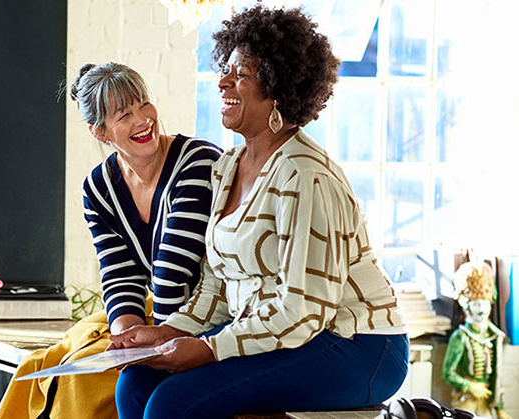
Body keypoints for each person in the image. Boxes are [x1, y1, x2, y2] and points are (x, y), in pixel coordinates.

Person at [111, 6, 409, 418]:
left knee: (174, 402)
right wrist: (167, 331)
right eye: (226, 70)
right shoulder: (229, 166)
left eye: (240, 75)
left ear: (277, 91)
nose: (223, 82)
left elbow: (303, 312)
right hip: (289, 332)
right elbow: (216, 287)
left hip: (355, 343)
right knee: (137, 383)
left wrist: (209, 348)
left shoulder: (306, 177)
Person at [0, 62, 222, 419]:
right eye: (124, 114)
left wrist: (153, 340)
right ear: (100, 132)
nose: (142, 120)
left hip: (211, 318)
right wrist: (126, 334)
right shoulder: (97, 188)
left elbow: (173, 269)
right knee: (51, 371)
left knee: (117, 384)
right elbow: (118, 274)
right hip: (157, 318)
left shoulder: (198, 162)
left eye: (144, 104)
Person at [442, 261, 510, 419]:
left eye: (485, 304)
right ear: (467, 305)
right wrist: (470, 386)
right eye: (476, 304)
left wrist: (499, 408)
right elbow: (447, 373)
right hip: (466, 401)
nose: (481, 310)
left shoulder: (494, 336)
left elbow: (496, 377)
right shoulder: (461, 336)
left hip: (486, 402)